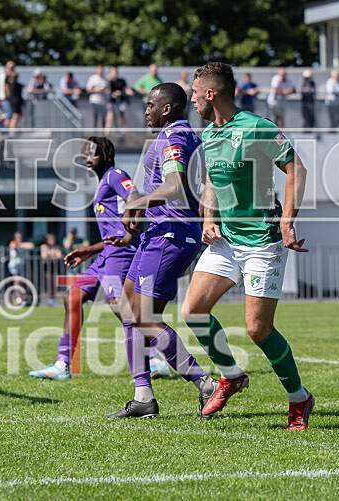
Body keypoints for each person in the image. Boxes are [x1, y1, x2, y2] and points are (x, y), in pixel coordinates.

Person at [187, 62, 314, 429]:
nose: (192, 99)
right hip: (227, 241)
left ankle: (299, 398)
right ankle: (231, 375)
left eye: (195, 93)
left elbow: (296, 169)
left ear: (210, 93)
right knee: (193, 310)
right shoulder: (210, 134)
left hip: (262, 242)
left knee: (258, 329)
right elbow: (212, 181)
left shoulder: (257, 127)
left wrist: (287, 221)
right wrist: (209, 218)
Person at [108, 83, 219, 419]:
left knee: (143, 317)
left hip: (171, 235)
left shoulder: (174, 136)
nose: (146, 111)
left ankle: (205, 383)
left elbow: (174, 186)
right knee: (127, 307)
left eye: (150, 105)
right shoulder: (181, 136)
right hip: (158, 233)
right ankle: (143, 396)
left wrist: (137, 204)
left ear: (167, 108)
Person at [29, 137, 170, 381]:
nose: (87, 159)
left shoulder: (115, 175)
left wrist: (129, 234)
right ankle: (63, 364)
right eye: (85, 154)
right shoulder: (103, 181)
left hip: (120, 254)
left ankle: (156, 358)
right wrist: (89, 250)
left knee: (120, 306)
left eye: (92, 154)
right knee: (73, 297)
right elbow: (111, 232)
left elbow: (135, 198)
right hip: (106, 255)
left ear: (106, 155)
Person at [7, 232, 34, 306]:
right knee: (17, 280)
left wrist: (21, 245)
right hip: (14, 266)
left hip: (22, 266)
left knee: (24, 282)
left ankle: (24, 297)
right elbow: (14, 245)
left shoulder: (23, 244)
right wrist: (20, 245)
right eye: (17, 237)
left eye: (20, 237)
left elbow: (31, 245)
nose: (19, 239)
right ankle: (18, 297)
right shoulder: (12, 243)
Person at [39, 233, 64, 307]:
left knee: (54, 283)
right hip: (46, 268)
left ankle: (53, 299)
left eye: (53, 239)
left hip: (54, 267)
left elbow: (59, 256)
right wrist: (53, 254)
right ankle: (48, 299)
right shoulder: (44, 246)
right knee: (48, 284)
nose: (52, 241)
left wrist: (50, 254)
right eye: (50, 239)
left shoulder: (56, 247)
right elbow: (44, 256)